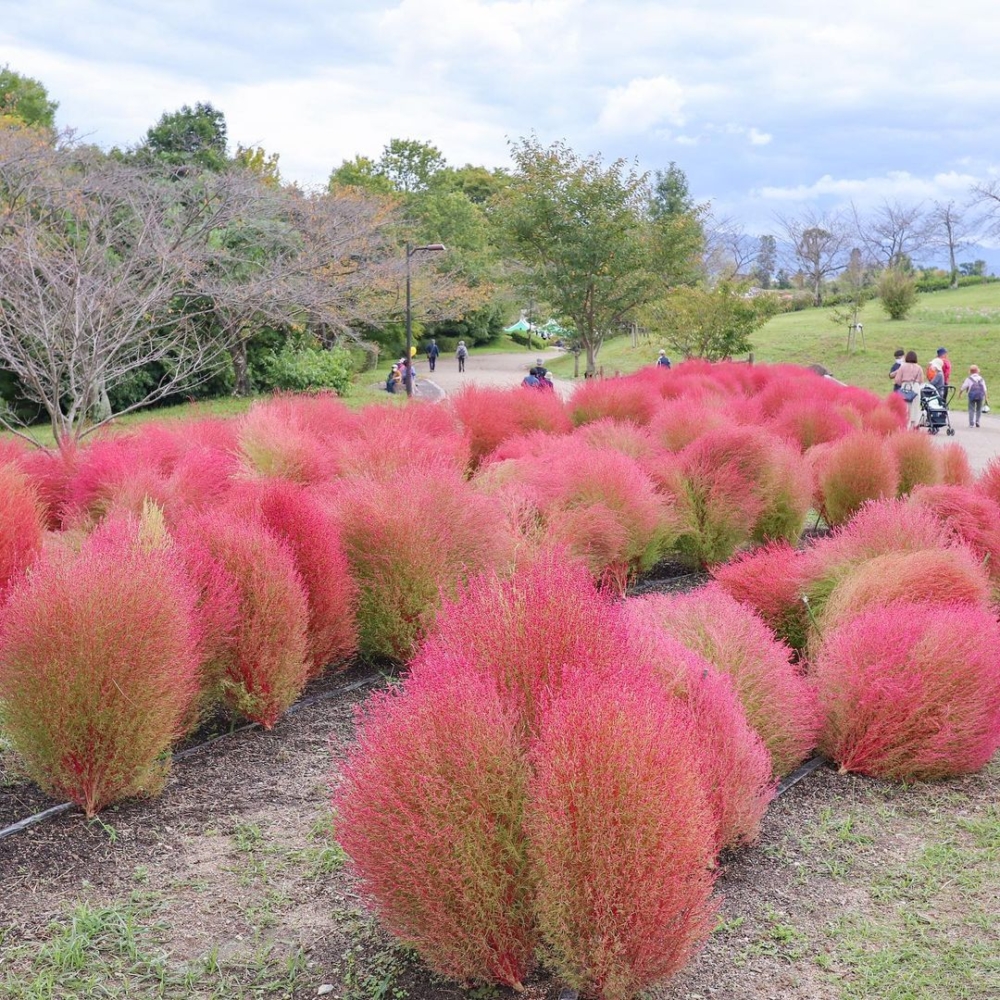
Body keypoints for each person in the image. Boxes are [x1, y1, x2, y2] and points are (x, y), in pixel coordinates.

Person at [894, 350, 925, 428]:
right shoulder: (919, 367)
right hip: (916, 387)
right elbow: (922, 381)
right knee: (915, 406)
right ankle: (914, 424)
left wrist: (903, 384)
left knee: (906, 407)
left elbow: (897, 379)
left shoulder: (903, 366)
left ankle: (906, 425)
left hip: (905, 386)